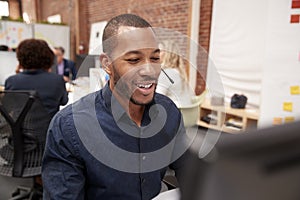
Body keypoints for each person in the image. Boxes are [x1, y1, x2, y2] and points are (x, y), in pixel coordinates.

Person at [42, 13, 191, 199]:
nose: (149, 70)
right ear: (107, 64)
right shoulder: (70, 127)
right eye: (134, 60)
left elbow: (190, 172)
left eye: (154, 59)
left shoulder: (168, 112)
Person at [5, 39, 68, 118]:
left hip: (20, 129)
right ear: (48, 58)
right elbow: (64, 101)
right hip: (48, 129)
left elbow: (8, 107)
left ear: (20, 58)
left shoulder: (12, 81)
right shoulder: (57, 80)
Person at [156, 40, 195, 107]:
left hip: (175, 114)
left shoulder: (166, 74)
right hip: (187, 114)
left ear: (168, 54)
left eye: (160, 51)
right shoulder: (179, 72)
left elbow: (157, 101)